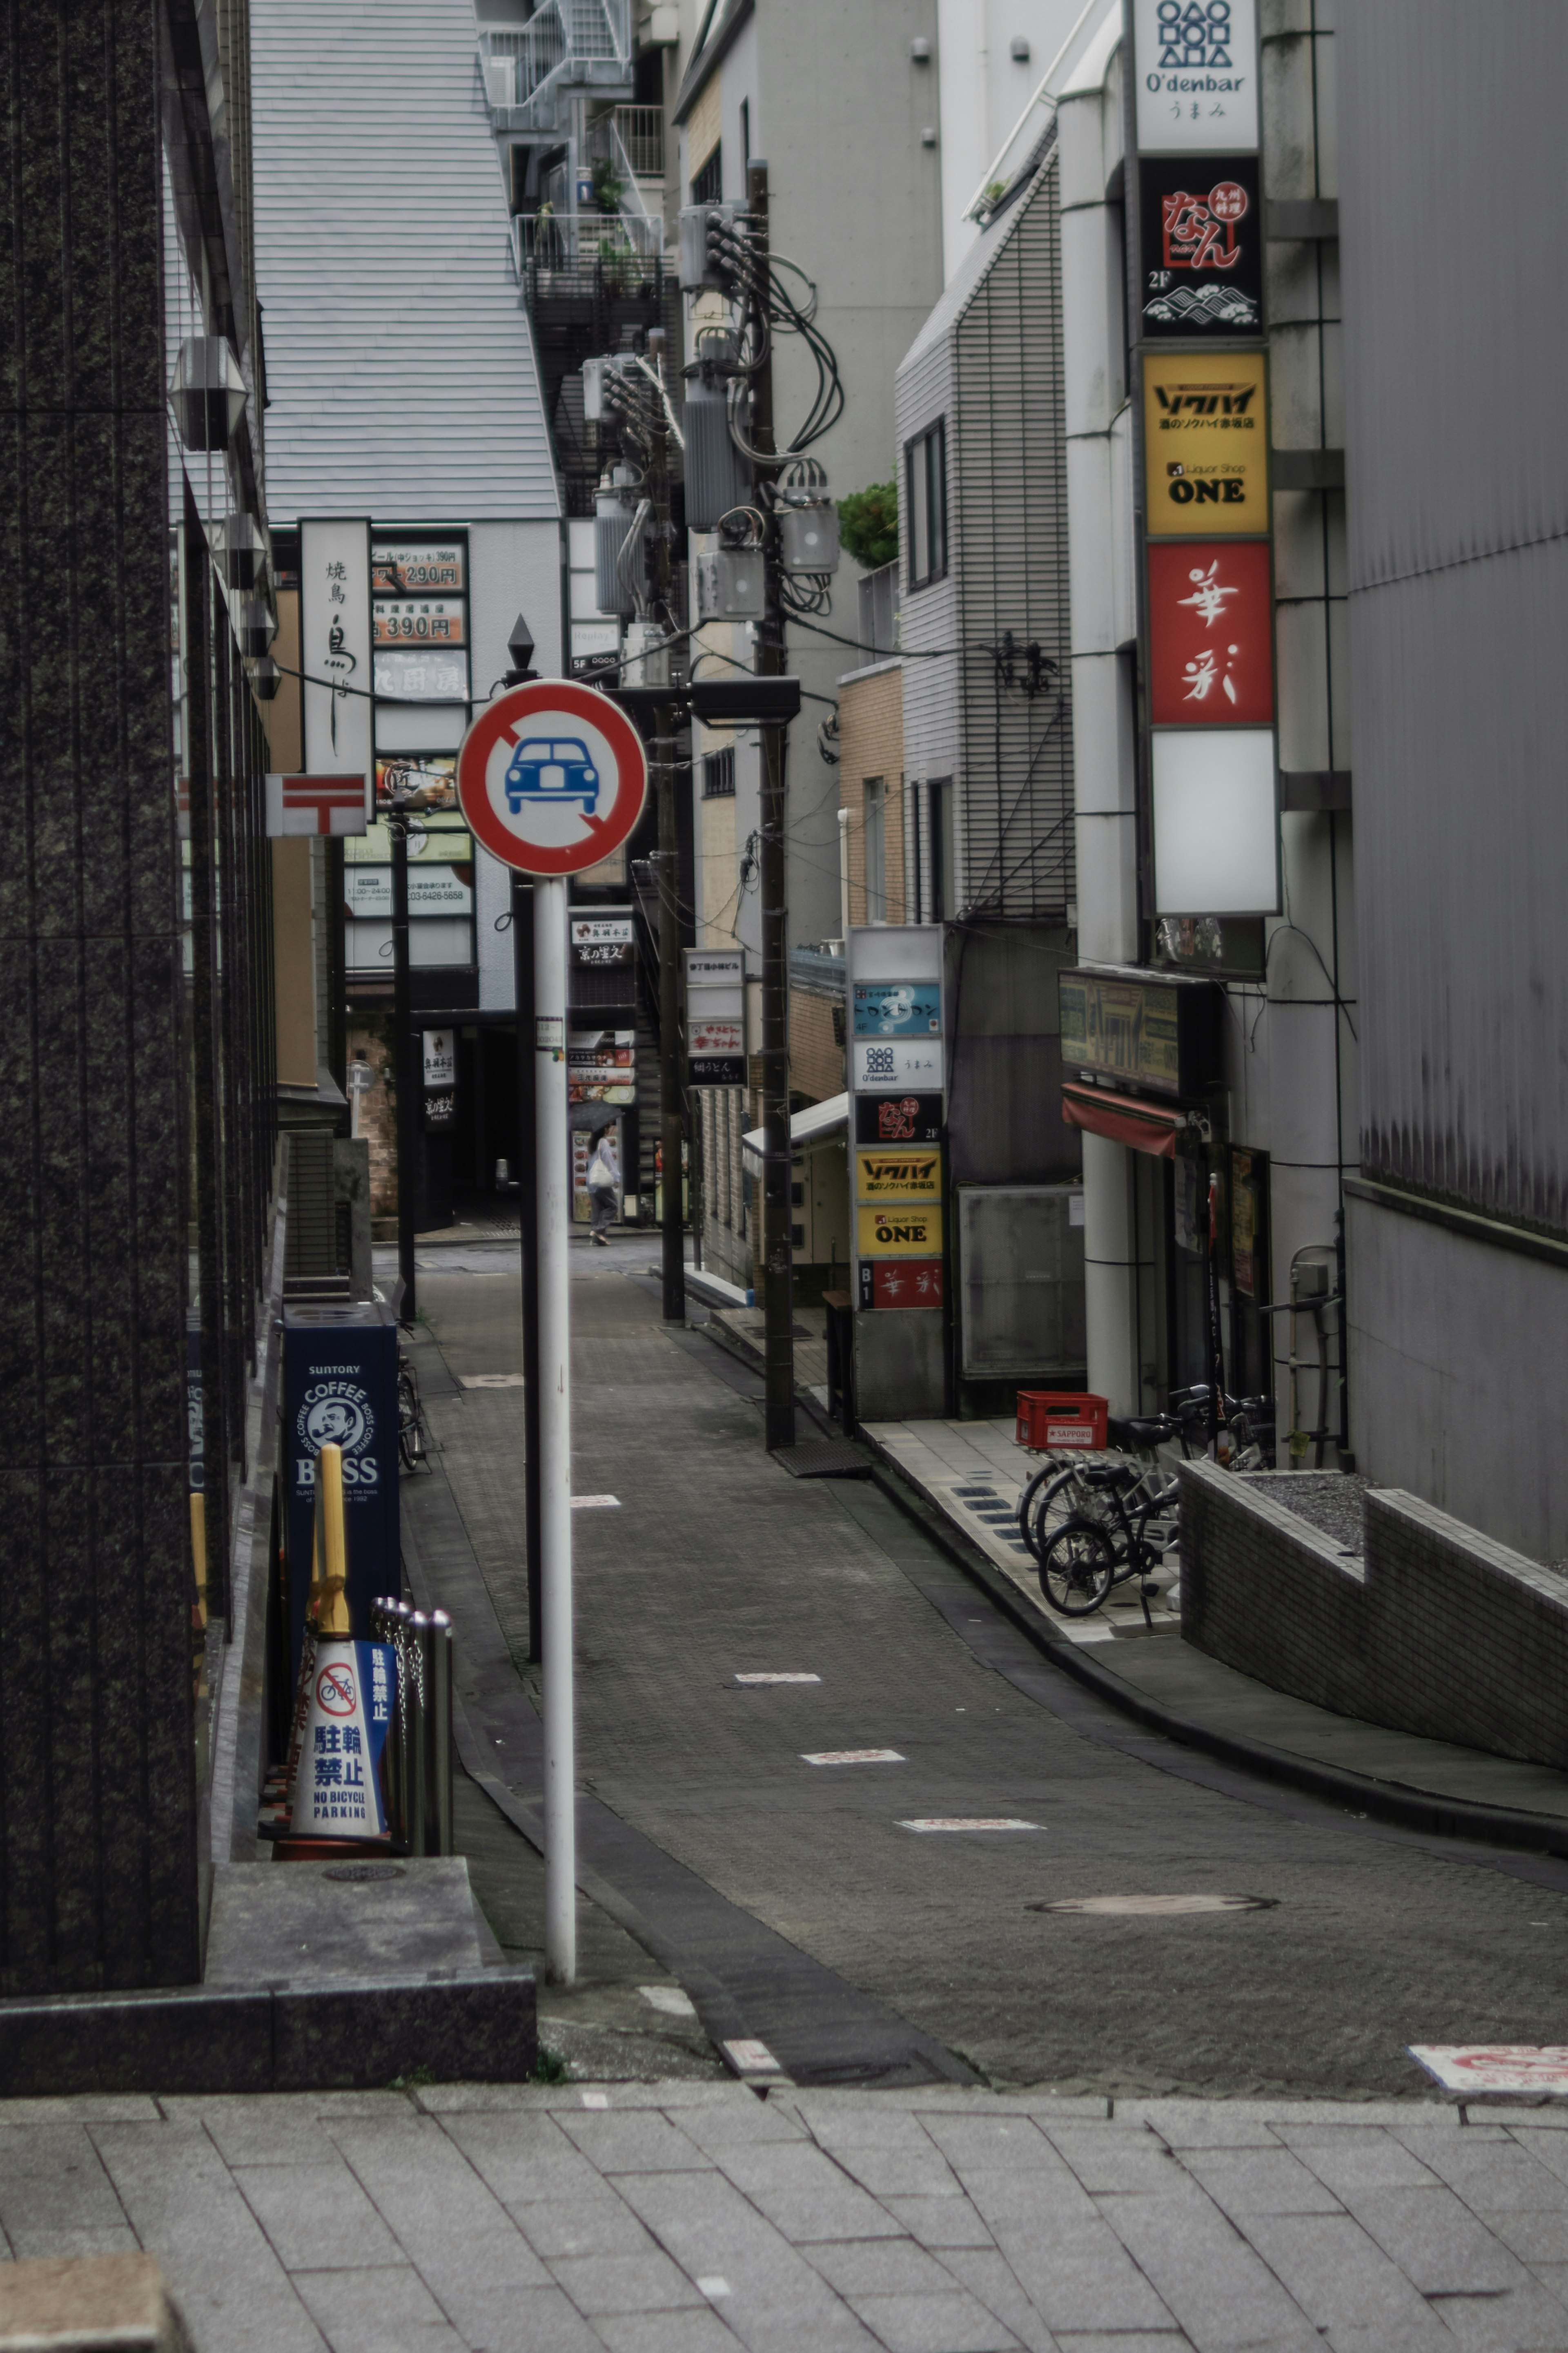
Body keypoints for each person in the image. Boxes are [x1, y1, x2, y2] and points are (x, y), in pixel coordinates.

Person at [586, 1129, 619, 1245]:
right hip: (601, 1180)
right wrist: (616, 1177)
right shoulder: (603, 1143)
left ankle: (597, 1239)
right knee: (613, 1206)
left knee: (597, 1209)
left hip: (591, 1180)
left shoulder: (591, 1143)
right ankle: (597, 1231)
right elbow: (609, 1161)